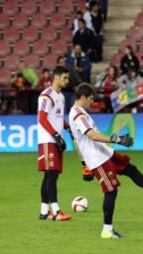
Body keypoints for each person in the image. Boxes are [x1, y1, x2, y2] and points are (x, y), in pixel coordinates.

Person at [69, 83, 143, 239]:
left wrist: (84, 163)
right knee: (111, 191)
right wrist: (116, 139)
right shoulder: (78, 115)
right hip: (97, 160)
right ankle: (107, 230)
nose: (92, 102)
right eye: (91, 99)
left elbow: (79, 140)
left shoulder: (79, 112)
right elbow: (91, 135)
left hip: (105, 153)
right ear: (83, 97)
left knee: (131, 169)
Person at [37, 66, 71, 221]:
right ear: (56, 77)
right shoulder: (46, 96)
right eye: (65, 78)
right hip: (48, 140)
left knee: (50, 175)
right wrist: (56, 135)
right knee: (51, 175)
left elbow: (56, 118)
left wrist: (67, 127)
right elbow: (42, 118)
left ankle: (44, 212)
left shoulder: (61, 97)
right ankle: (56, 211)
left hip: (56, 139)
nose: (67, 81)